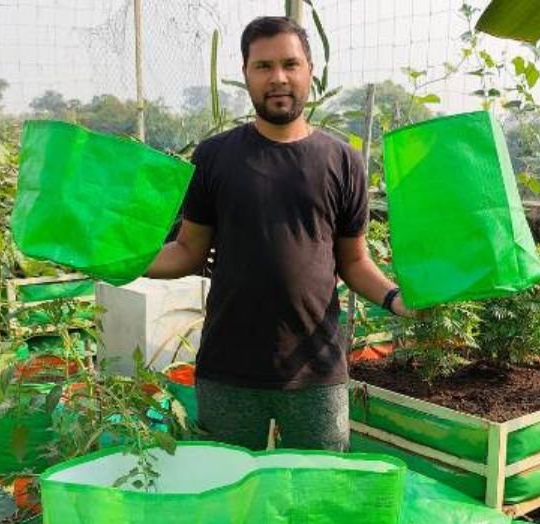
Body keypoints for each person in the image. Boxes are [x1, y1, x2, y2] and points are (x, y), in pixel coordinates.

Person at [145, 16, 414, 451]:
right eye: (263, 66)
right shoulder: (214, 156)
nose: (279, 78)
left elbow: (354, 260)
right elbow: (188, 251)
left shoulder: (342, 161)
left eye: (291, 64)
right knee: (228, 497)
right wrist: (121, 262)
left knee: (319, 495)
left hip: (316, 371)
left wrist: (394, 299)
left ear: (310, 71)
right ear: (246, 74)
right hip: (229, 369)